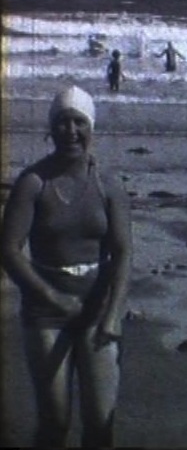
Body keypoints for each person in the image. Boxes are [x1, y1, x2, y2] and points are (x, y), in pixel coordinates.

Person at [1, 85, 133, 447]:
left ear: (91, 127)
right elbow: (9, 250)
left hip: (97, 310)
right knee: (54, 424)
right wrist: (51, 297)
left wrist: (113, 314)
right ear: (50, 128)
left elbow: (123, 252)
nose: (70, 131)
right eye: (62, 122)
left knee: (100, 424)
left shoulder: (109, 185)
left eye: (79, 122)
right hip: (46, 314)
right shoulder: (33, 183)